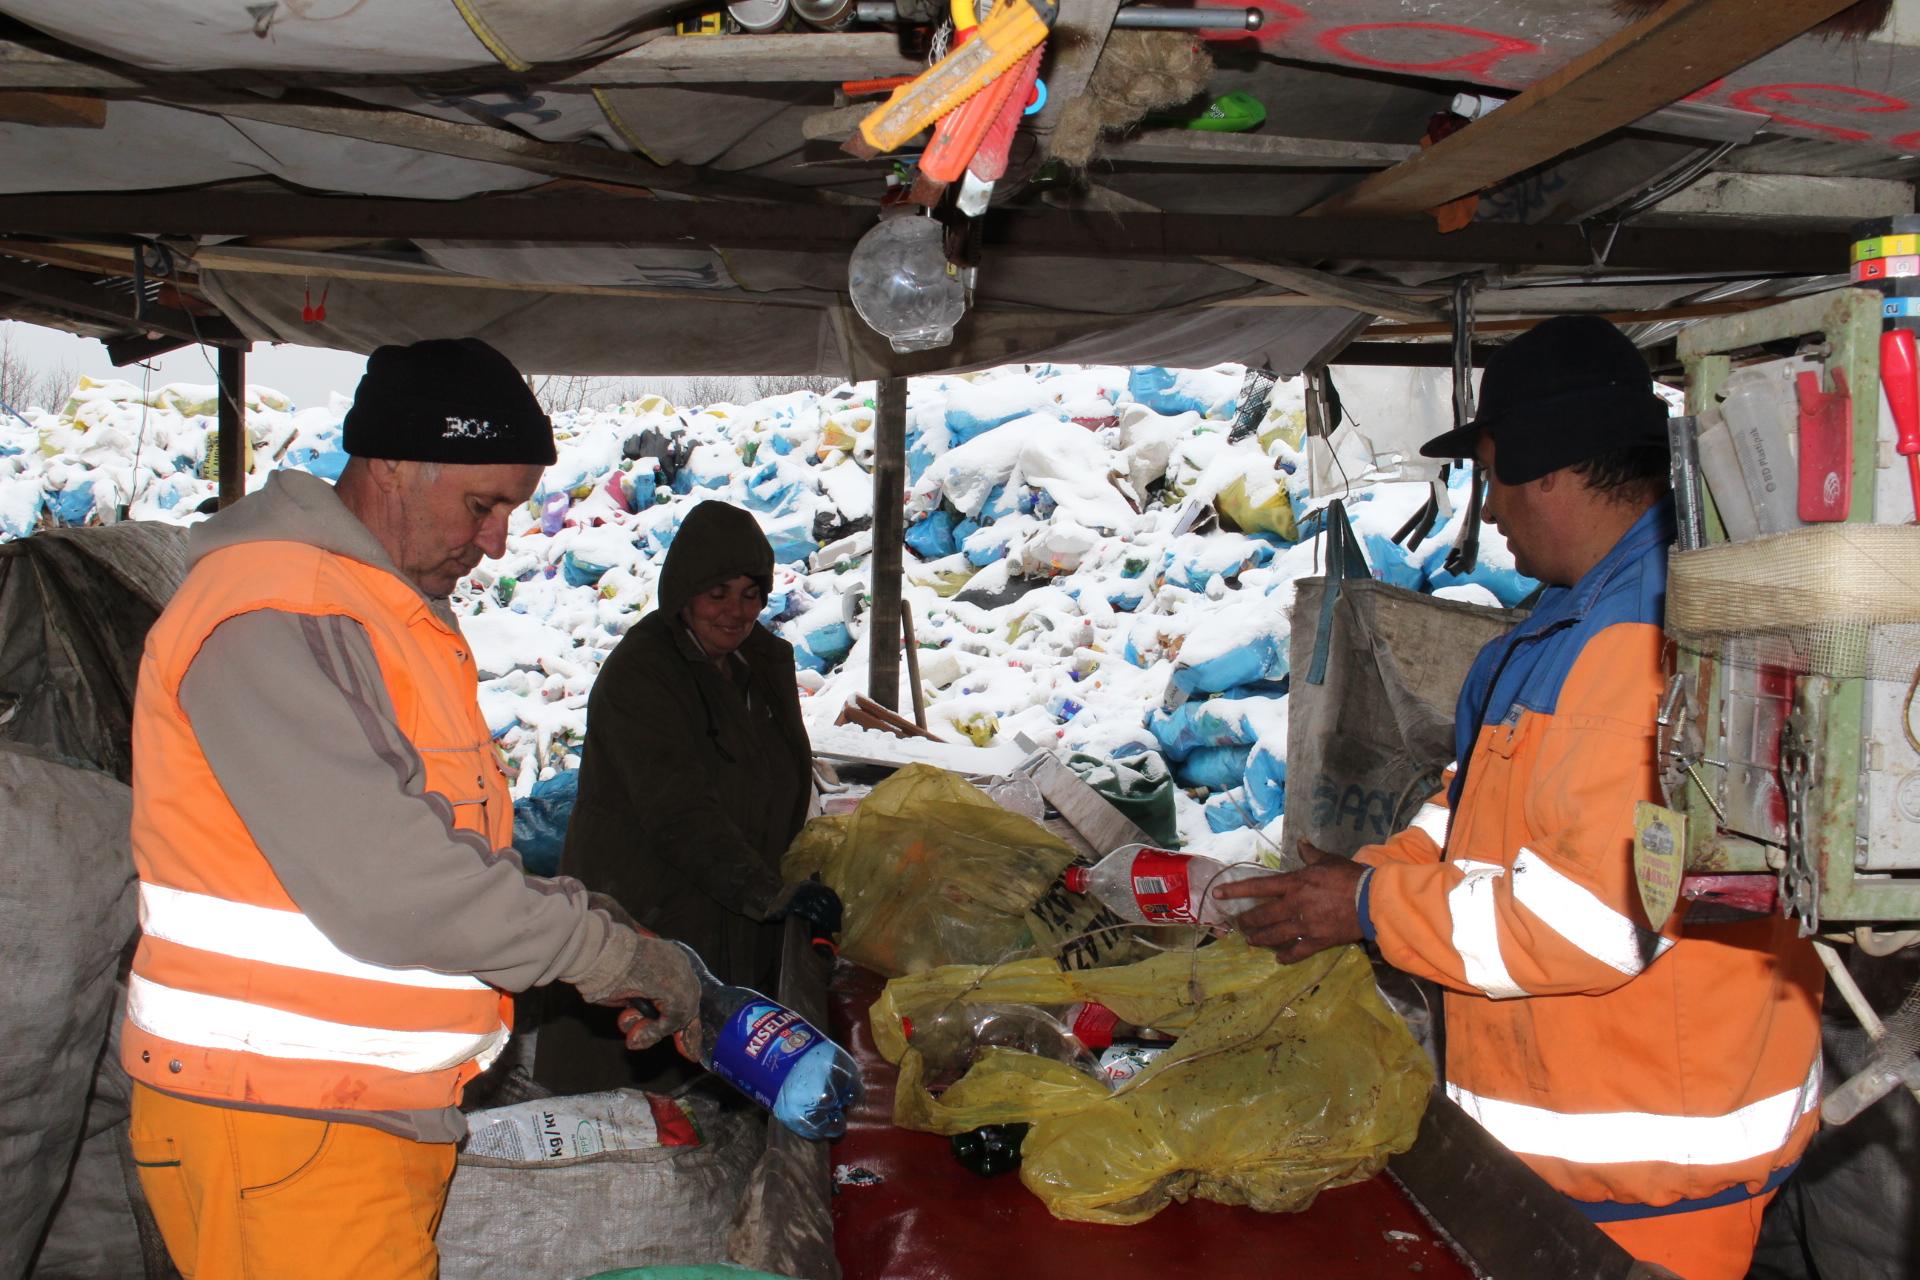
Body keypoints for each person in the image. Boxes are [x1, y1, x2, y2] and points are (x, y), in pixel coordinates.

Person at [1219, 315, 1824, 1280]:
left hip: (1651, 1187)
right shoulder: (1568, 623)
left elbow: (1591, 923)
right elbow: (1467, 818)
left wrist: (1372, 909)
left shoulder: (1643, 639)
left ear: (1551, 465)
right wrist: (1360, 882)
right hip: (1576, 1170)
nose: (1489, 508)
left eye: (1494, 473)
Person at [121, 338, 702, 1280]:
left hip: (337, 1117)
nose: (498, 541)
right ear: (391, 463)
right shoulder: (277, 613)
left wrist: (589, 921)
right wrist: (607, 955)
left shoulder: (368, 611)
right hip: (280, 1120)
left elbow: (441, 842)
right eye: (483, 505)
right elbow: (395, 881)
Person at [535, 498, 840, 1096]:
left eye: (751, 593)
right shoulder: (642, 675)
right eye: (717, 592)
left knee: (710, 1074)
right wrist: (768, 893)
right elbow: (679, 813)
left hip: (729, 892)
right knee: (637, 1079)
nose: (736, 610)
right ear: (682, 592)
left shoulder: (757, 662)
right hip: (650, 902)